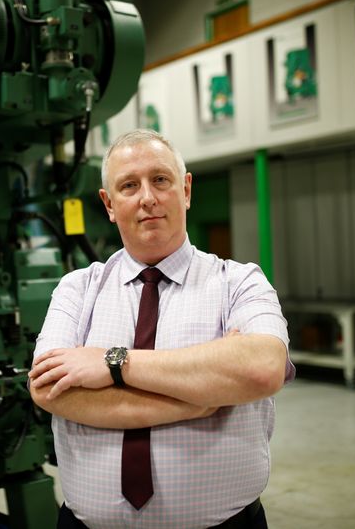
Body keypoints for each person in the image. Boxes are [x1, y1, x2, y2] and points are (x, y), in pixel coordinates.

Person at [29, 129, 295, 529]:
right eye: (129, 185)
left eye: (160, 180)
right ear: (109, 205)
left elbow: (262, 368)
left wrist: (112, 363)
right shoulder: (77, 289)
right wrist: (201, 398)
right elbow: (49, 388)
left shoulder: (239, 283)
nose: (147, 198)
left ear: (185, 189)